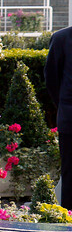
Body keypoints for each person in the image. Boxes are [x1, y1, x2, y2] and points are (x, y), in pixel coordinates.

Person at [45, 27, 72, 209]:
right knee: (70, 178)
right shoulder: (61, 39)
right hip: (71, 122)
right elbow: (51, 79)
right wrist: (63, 106)